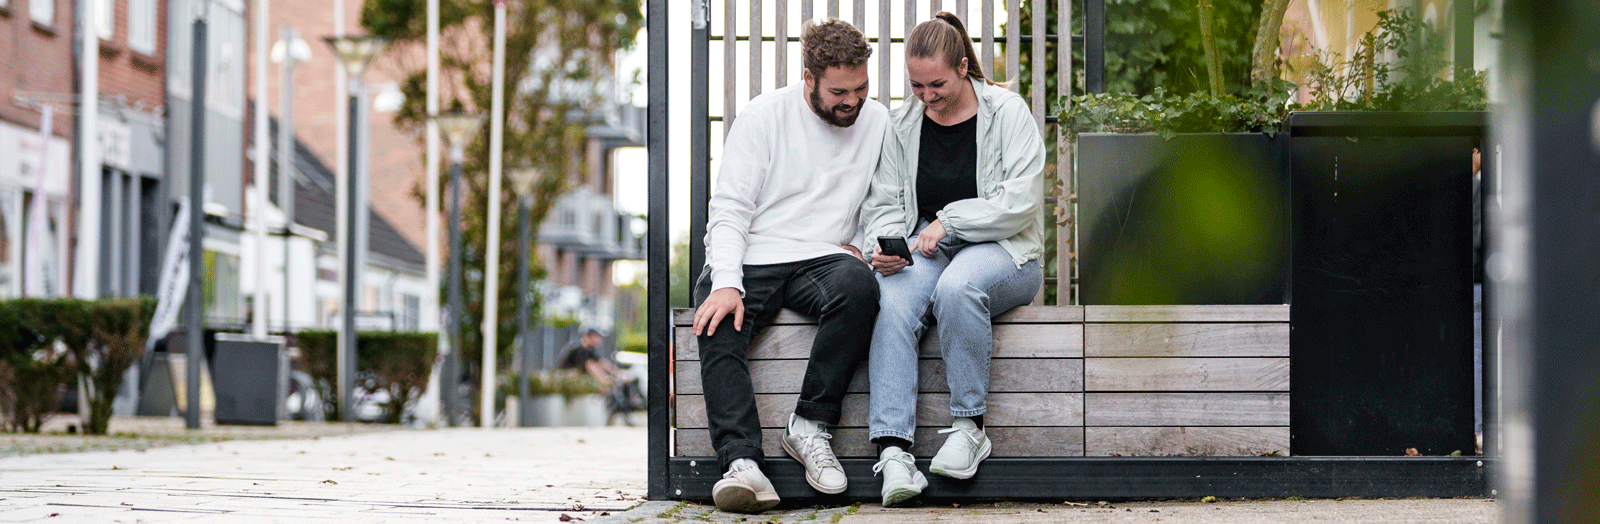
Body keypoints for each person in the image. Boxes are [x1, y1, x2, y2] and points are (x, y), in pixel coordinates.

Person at [692, 17, 888, 514]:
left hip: (824, 255)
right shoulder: (763, 117)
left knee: (860, 289)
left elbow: (884, 201)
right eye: (839, 92)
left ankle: (809, 427)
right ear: (809, 78)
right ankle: (742, 463)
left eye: (861, 88)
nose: (853, 101)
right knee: (717, 319)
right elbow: (730, 208)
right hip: (756, 252)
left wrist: (863, 244)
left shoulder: (879, 121)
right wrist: (726, 281)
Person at [858, 12, 1046, 507]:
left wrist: (950, 222)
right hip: (928, 246)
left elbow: (1020, 201)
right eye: (916, 86)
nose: (926, 96)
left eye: (936, 84)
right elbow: (883, 201)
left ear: (963, 67)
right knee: (891, 300)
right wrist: (885, 246)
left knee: (958, 287)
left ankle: (969, 427)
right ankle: (893, 451)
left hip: (1007, 250)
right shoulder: (902, 123)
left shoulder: (1007, 112)